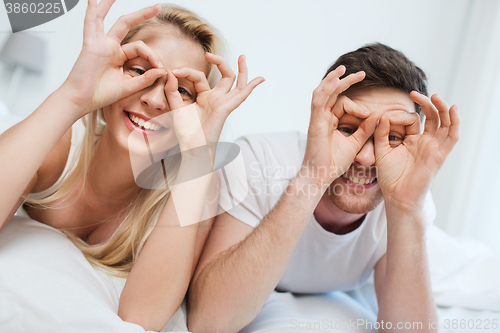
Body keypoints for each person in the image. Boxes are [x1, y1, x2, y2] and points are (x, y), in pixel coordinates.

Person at [0, 0, 263, 331]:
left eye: (180, 91)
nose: (154, 100)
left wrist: (199, 152)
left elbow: (142, 318)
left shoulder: (192, 188)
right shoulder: (61, 144)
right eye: (138, 71)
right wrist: (73, 97)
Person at [187, 43, 460, 332]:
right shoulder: (258, 160)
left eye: (392, 137)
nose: (366, 158)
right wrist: (313, 178)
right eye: (348, 129)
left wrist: (406, 208)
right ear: (318, 122)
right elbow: (209, 321)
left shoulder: (408, 194)